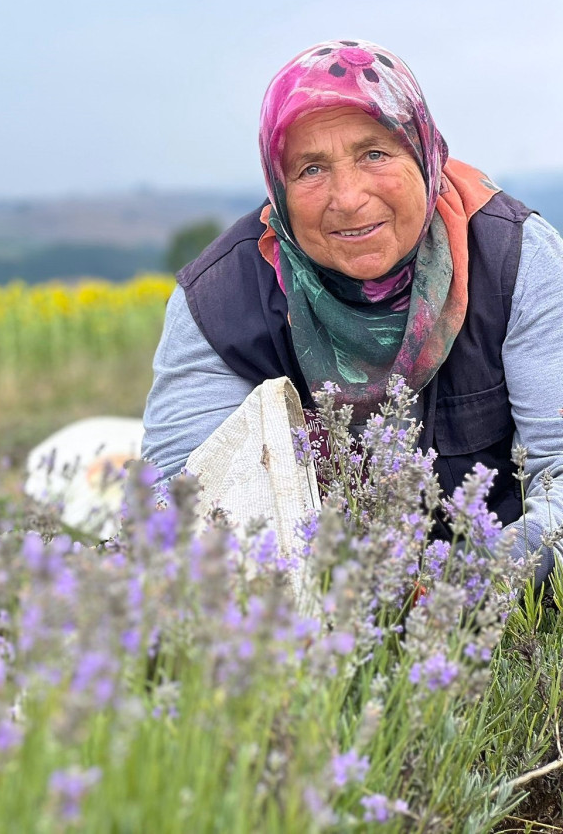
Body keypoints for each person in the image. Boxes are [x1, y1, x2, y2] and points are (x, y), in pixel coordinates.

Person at [141, 39, 563, 586]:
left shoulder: (514, 257)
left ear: (424, 155)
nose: (348, 197)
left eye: (375, 154)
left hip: (498, 603)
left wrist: (464, 591)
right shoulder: (220, 298)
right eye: (311, 168)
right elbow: (176, 502)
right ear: (279, 186)